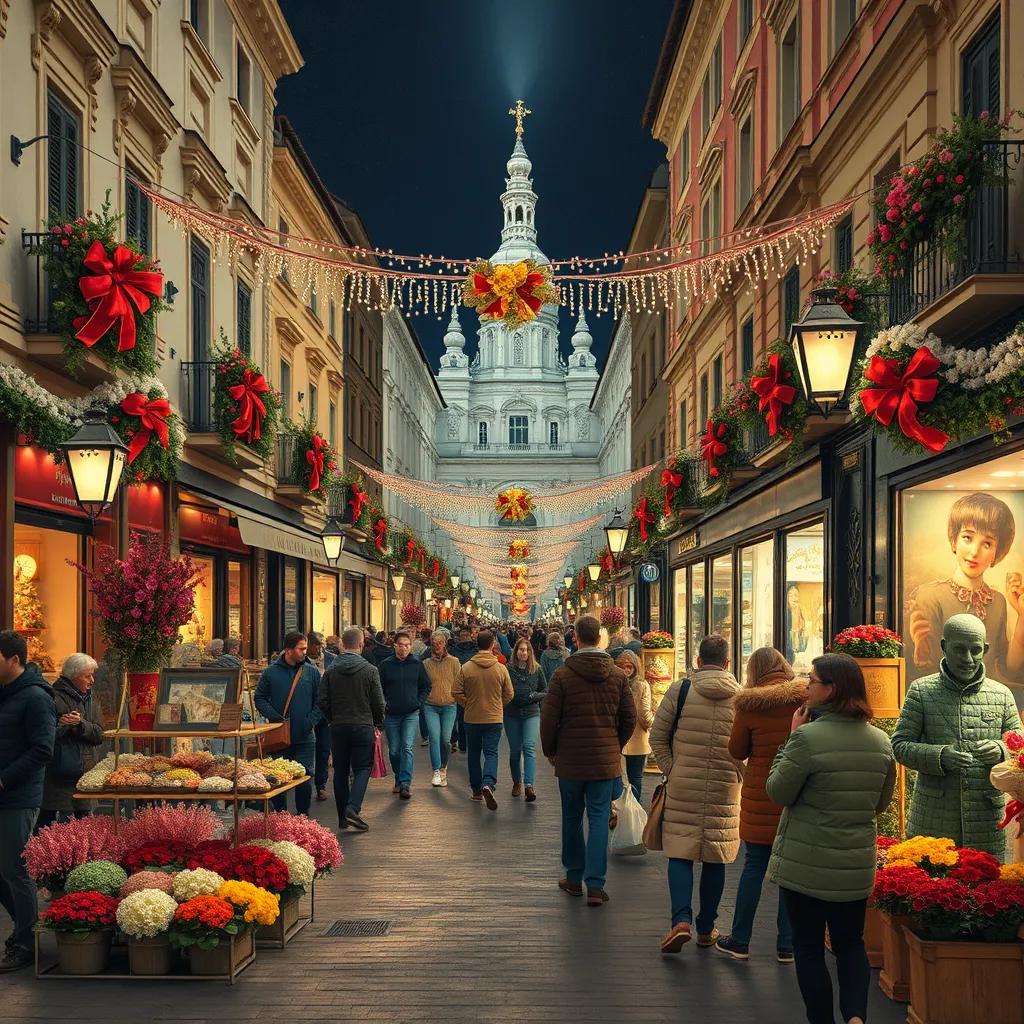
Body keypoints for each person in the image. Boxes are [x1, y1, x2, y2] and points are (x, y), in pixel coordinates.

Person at [767, 653, 896, 1024]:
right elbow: (880, 803)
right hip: (854, 866)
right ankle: (855, 1016)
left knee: (808, 948)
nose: (806, 686)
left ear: (831, 689)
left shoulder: (806, 739)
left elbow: (778, 791)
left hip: (804, 867)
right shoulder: (880, 741)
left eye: (813, 680)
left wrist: (790, 738)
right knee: (850, 944)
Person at [892, 612, 1021, 859]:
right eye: (959, 649)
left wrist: (1001, 750)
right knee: (932, 891)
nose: (968, 658)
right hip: (932, 818)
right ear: (944, 647)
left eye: (975, 650)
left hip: (986, 820)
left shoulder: (1002, 695)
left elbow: (1021, 749)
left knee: (986, 892)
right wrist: (939, 756)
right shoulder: (921, 690)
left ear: (985, 648)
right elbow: (899, 745)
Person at [651, 634, 742, 954]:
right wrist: (737, 773)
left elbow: (657, 735)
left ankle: (681, 920)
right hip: (724, 787)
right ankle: (706, 928)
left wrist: (671, 768)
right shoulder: (741, 697)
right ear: (728, 663)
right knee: (716, 855)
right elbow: (746, 748)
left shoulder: (682, 689)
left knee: (681, 850)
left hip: (683, 782)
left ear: (699, 661)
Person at [714, 647, 804, 963]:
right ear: (783, 665)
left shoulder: (750, 706)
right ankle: (787, 944)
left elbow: (737, 751)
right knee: (790, 870)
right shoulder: (804, 699)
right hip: (797, 793)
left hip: (760, 792)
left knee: (754, 865)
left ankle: (740, 940)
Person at [541, 614, 635, 907]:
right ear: (600, 639)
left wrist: (551, 750)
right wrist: (614, 744)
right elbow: (629, 718)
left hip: (570, 761)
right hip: (604, 762)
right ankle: (595, 884)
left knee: (571, 818)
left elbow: (549, 718)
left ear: (576, 638)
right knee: (597, 819)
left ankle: (573, 876)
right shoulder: (618, 675)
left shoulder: (563, 675)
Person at [907, 493, 1024, 679]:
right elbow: (927, 670)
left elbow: (1009, 669)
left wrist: (1022, 616)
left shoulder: (998, 601)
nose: (974, 552)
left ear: (997, 551)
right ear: (954, 540)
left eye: (987, 543)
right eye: (967, 538)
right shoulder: (929, 596)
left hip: (988, 701)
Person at [0, 629, 56, 972]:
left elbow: (42, 750)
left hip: (18, 796)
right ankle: (24, 928)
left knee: (14, 869)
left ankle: (26, 941)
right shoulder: (4, 693)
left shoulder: (36, 697)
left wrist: (5, 778)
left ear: (13, 660)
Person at [318, 627, 385, 832]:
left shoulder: (331, 670)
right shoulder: (370, 670)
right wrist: (377, 723)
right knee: (362, 768)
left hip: (338, 726)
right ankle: (353, 807)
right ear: (361, 644)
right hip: (363, 725)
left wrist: (332, 718)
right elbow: (378, 702)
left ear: (342, 645)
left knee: (340, 770)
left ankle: (342, 817)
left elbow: (322, 700)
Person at [255, 631, 322, 815]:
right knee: (279, 778)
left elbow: (321, 700)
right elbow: (259, 697)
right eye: (301, 649)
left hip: (305, 736)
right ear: (288, 650)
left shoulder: (312, 671)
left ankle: (303, 815)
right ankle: (281, 815)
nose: (305, 652)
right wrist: (275, 718)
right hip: (279, 736)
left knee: (305, 778)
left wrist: (310, 721)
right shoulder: (270, 673)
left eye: (305, 648)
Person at [39, 653, 104, 830]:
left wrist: (80, 724)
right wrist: (62, 726)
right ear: (73, 676)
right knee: (50, 829)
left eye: (92, 675)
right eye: (87, 676)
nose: (92, 680)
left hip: (85, 777)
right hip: (59, 777)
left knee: (84, 832)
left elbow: (99, 734)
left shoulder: (91, 698)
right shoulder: (52, 697)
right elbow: (44, 738)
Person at [454, 630, 513, 809]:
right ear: (492, 644)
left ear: (476, 644)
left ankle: (477, 791)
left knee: (473, 754)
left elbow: (455, 692)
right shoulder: (500, 668)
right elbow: (509, 694)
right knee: (491, 752)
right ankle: (488, 782)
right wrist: (498, 705)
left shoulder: (466, 668)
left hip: (472, 717)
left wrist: (468, 703)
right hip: (494, 718)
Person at [378, 633, 431, 799]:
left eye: (407, 645)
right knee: (394, 750)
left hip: (411, 713)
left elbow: (426, 686)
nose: (404, 648)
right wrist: (384, 704)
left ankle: (405, 783)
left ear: (411, 646)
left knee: (407, 747)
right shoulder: (385, 665)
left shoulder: (417, 664)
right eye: (401, 644)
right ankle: (398, 776)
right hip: (392, 714)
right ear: (394, 646)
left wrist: (418, 702)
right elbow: (378, 688)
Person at [505, 637, 547, 801]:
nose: (524, 652)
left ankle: (529, 785)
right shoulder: (508, 669)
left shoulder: (537, 669)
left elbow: (545, 688)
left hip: (531, 712)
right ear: (516, 652)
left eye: (527, 650)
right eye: (521, 650)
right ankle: (517, 782)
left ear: (530, 652)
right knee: (515, 751)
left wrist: (535, 696)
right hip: (512, 714)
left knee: (529, 747)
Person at [422, 630, 460, 788]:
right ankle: (436, 770)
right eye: (434, 643)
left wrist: (459, 698)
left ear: (445, 644)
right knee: (434, 737)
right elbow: (422, 685)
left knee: (445, 739)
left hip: (449, 705)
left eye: (440, 643)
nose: (436, 646)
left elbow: (459, 682)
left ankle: (444, 766)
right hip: (430, 705)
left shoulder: (454, 662)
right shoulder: (426, 664)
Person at [615, 650, 653, 802]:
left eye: (629, 667)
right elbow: (644, 714)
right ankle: (634, 809)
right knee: (636, 778)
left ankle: (621, 811)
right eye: (623, 666)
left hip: (618, 739)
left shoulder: (614, 682)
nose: (626, 670)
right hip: (637, 740)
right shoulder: (643, 685)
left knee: (619, 779)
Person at [306, 631, 333, 802]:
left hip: (326, 711)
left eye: (320, 644)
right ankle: (304, 783)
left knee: (323, 749)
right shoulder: (301, 661)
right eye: (315, 644)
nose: (319, 647)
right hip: (307, 710)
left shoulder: (331, 659)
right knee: (306, 748)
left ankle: (321, 784)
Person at [448, 624, 478, 754]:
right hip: (459, 688)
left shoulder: (477, 650)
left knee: (471, 716)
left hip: (474, 688)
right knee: (460, 717)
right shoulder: (454, 651)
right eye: (462, 636)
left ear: (471, 636)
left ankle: (468, 741)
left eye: (466, 635)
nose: (464, 638)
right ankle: (463, 743)